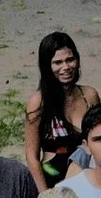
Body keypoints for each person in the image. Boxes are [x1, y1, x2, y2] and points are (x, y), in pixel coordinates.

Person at [24, 31, 97, 189]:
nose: (66, 67)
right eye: (57, 62)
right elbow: (32, 156)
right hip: (53, 181)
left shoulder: (89, 96)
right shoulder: (38, 102)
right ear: (47, 66)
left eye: (70, 60)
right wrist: (45, 195)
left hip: (88, 179)